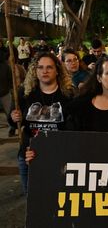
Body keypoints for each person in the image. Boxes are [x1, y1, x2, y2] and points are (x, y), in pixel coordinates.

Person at [8, 52, 75, 194]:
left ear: (57, 71)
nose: (44, 71)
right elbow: (14, 122)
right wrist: (14, 118)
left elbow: (75, 127)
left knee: (57, 198)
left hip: (58, 156)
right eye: (40, 67)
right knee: (33, 200)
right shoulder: (25, 93)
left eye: (49, 67)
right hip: (29, 155)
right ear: (35, 70)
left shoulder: (68, 95)